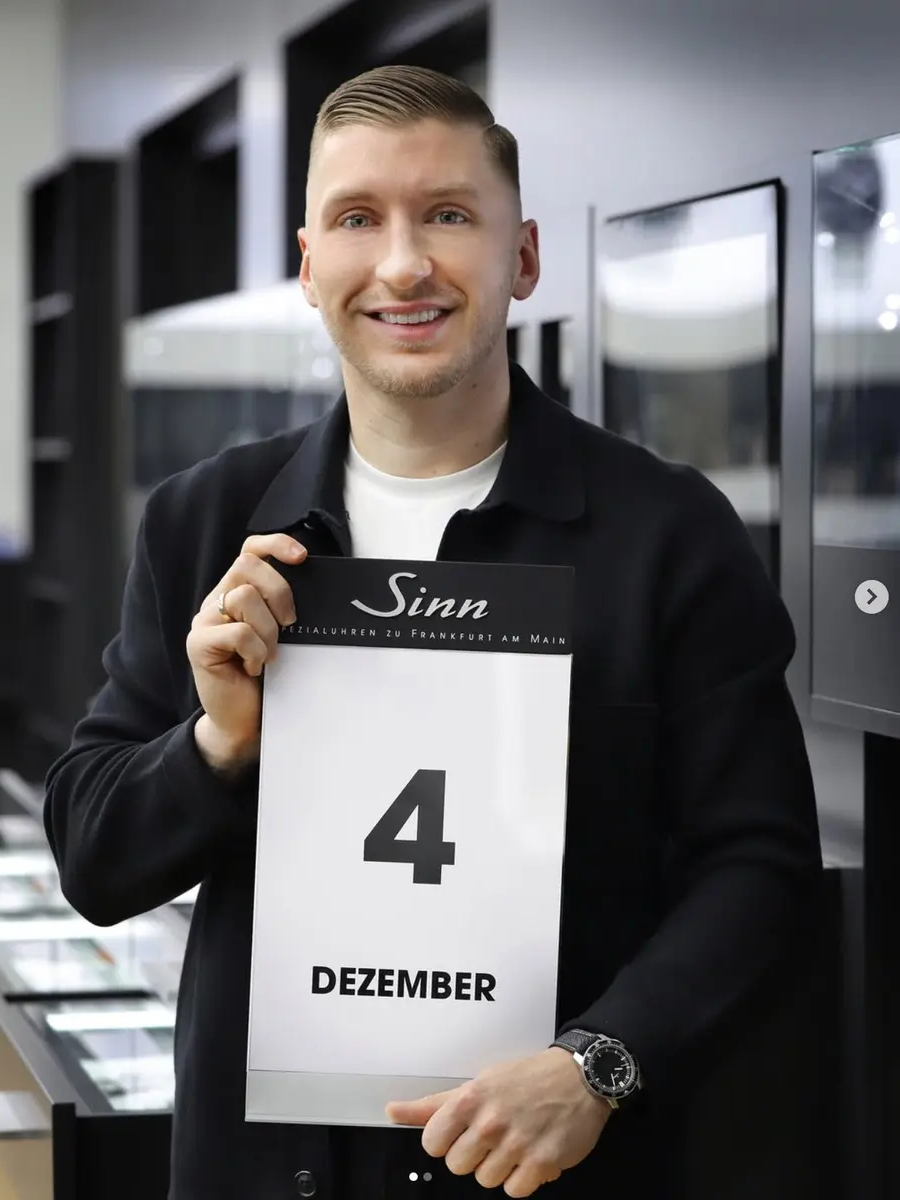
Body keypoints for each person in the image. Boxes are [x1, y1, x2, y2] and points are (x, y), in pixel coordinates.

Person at [44, 64, 823, 1199]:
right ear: (309, 266)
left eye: (449, 215)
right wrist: (218, 742)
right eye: (358, 219)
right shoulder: (202, 521)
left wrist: (599, 1065)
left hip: (548, 1176)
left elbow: (759, 867)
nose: (404, 264)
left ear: (524, 258)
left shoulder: (669, 533)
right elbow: (95, 859)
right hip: (261, 1172)